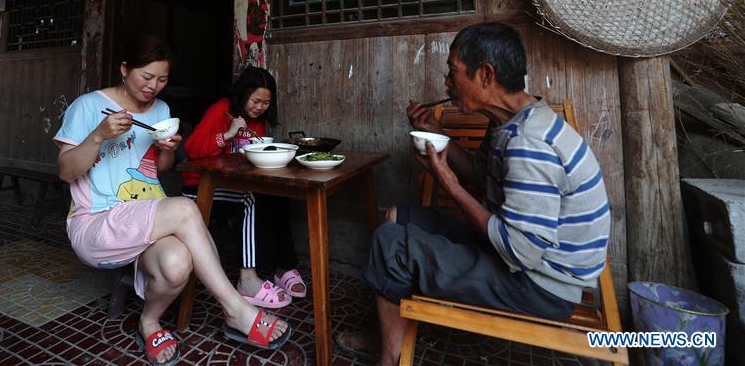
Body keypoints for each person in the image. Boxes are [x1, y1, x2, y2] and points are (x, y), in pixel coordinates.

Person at [336, 22, 611, 365]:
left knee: (390, 245)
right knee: (396, 216)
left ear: (485, 74)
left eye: (453, 72)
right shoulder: (510, 123)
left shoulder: (530, 143)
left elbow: (520, 251)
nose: (446, 82)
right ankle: (387, 334)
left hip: (540, 286)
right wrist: (435, 133)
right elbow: (480, 178)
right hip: (520, 260)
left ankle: (388, 358)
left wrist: (448, 183)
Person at [54, 36, 291, 366]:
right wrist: (98, 136)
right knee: (184, 207)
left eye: (162, 79)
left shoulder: (162, 110)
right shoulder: (88, 106)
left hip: (147, 218)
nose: (153, 86)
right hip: (97, 221)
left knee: (177, 263)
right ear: (124, 69)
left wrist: (166, 151)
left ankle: (149, 322)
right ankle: (236, 309)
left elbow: (159, 170)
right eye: (146, 77)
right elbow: (66, 172)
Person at [183, 66, 305, 309]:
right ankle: (247, 279)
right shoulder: (222, 110)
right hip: (201, 186)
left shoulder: (256, 121)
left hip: (232, 182)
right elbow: (192, 148)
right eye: (256, 100)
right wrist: (227, 135)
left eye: (266, 102)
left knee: (278, 193)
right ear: (242, 94)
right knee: (250, 198)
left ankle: (283, 267)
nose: (260, 107)